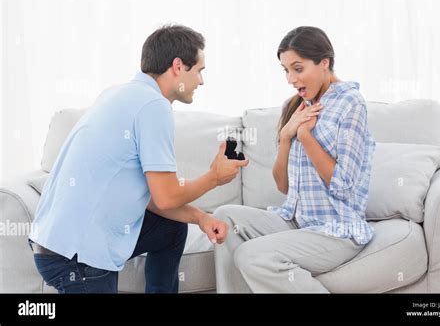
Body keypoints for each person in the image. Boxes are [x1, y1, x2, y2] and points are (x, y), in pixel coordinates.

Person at [29, 24, 249, 293]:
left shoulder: (119, 94)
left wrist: (201, 218)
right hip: (76, 257)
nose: (201, 81)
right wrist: (214, 177)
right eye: (199, 70)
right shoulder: (153, 107)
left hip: (52, 244)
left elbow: (157, 198)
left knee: (171, 229)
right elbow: (167, 197)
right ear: (178, 66)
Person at [213, 26, 376, 293]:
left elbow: (345, 185)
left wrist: (305, 136)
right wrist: (288, 136)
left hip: (336, 229)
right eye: (286, 70)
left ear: (324, 63)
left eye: (297, 69)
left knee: (251, 255)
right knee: (224, 218)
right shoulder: (297, 106)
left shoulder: (351, 103)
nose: (290, 78)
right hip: (296, 220)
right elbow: (284, 187)